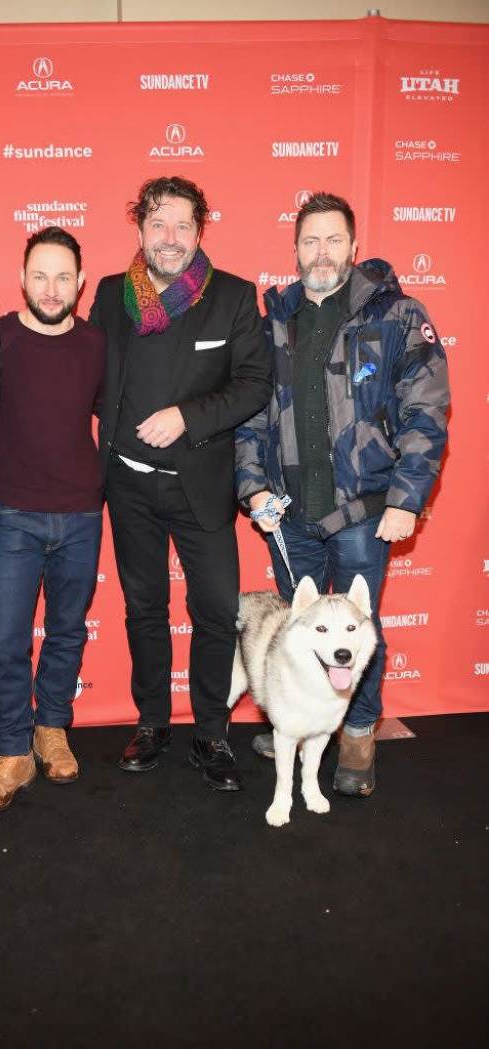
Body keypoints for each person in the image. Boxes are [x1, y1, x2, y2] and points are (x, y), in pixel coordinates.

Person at [235, 191, 450, 796]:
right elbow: (250, 414)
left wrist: (407, 498)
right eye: (310, 240)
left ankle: (357, 732)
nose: (321, 251)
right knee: (300, 634)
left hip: (364, 511)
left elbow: (426, 410)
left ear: (354, 248)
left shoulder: (398, 314)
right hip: (288, 514)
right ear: (295, 249)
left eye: (333, 239)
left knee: (356, 634)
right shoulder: (274, 321)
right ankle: (295, 720)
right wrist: (252, 488)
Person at [90, 175, 271, 791]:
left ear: (200, 231)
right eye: (158, 224)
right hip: (128, 485)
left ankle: (213, 731)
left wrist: (186, 417)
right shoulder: (111, 296)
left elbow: (254, 384)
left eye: (183, 226)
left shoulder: (235, 297)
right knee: (144, 608)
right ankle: (151, 722)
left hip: (201, 484)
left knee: (217, 611)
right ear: (140, 228)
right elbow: (87, 376)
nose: (170, 238)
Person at [0, 227, 105, 814]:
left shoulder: (99, 344)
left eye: (63, 277)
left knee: (68, 633)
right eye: (40, 275)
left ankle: (53, 727)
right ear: (22, 278)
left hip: (80, 513)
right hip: (13, 514)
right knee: (5, 642)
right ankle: (13, 751)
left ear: (79, 281)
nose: (52, 289)